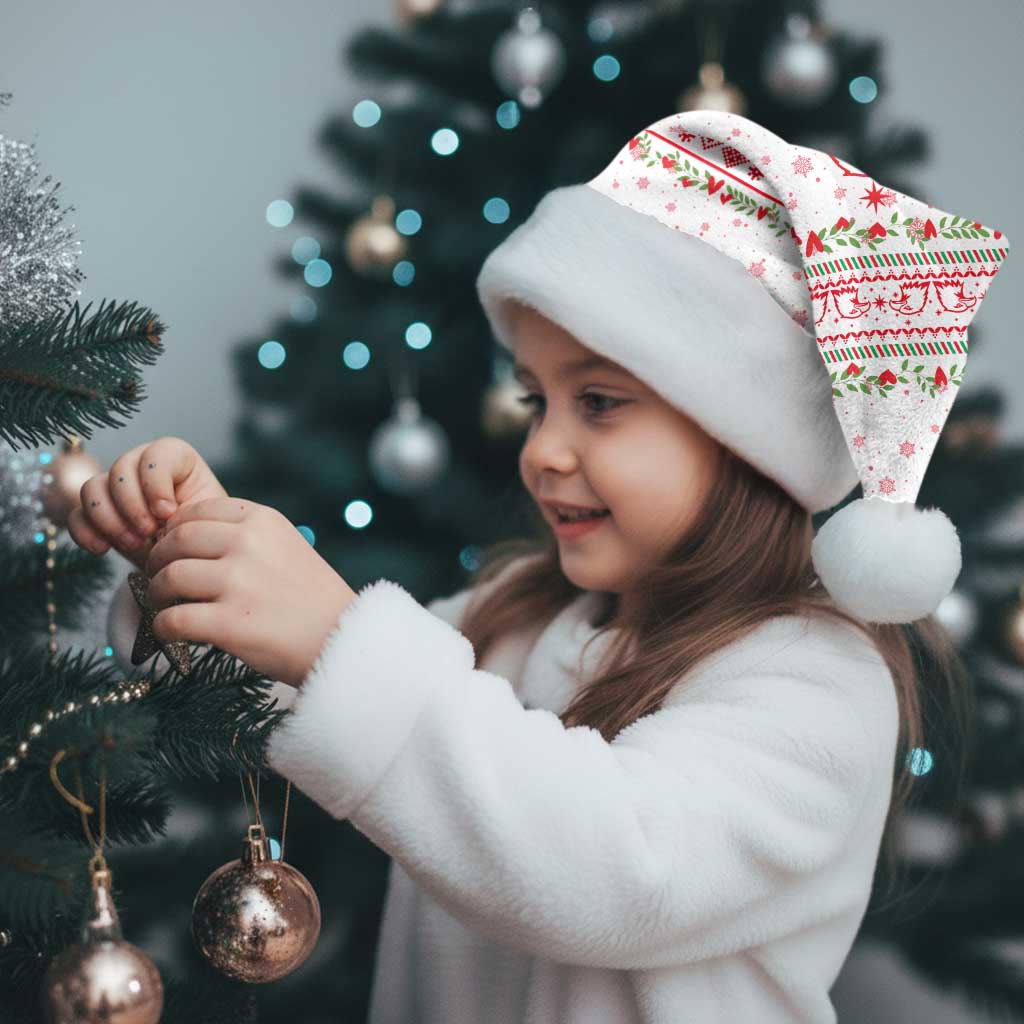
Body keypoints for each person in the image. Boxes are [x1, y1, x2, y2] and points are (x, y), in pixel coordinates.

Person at [74, 109, 1010, 1023]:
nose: (543, 450)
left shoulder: (818, 683)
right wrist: (191, 565)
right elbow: (304, 690)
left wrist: (335, 635)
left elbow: (616, 870)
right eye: (535, 401)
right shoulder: (515, 616)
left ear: (746, 441)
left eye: (598, 403)